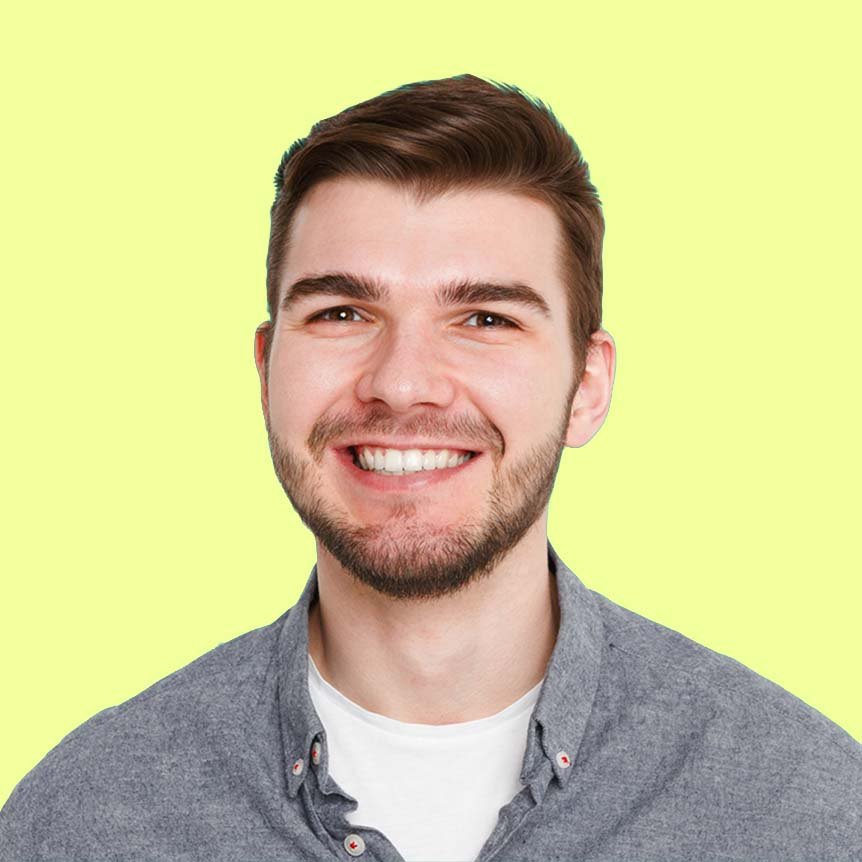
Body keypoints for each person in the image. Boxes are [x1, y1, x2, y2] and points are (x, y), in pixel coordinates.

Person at [1, 74, 859, 862]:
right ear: (266, 374)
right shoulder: (78, 821)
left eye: (485, 319)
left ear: (587, 388)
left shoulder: (810, 811)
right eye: (342, 312)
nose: (402, 382)